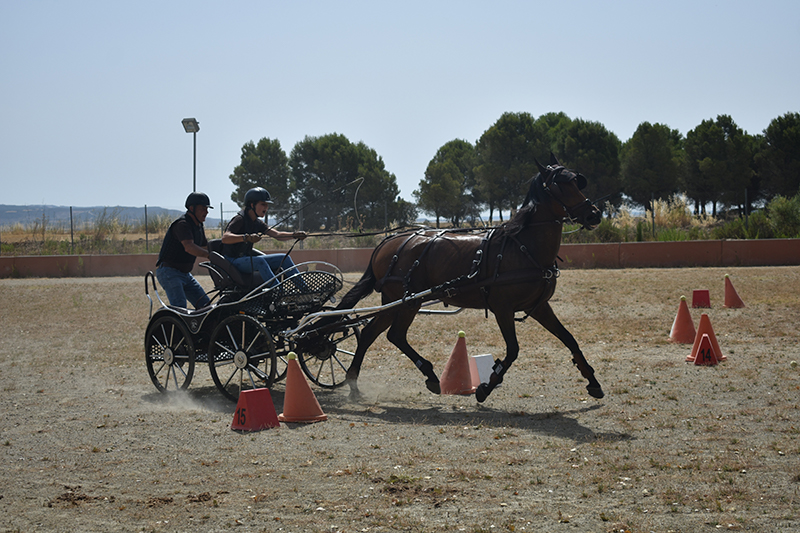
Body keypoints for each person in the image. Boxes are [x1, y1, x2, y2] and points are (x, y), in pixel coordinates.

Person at [221, 187, 307, 288]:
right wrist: (246, 237)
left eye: (267, 205)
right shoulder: (239, 219)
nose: (266, 208)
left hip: (246, 259)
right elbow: (225, 238)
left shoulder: (257, 223)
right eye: (263, 204)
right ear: (252, 205)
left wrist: (294, 235)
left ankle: (305, 290)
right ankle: (278, 292)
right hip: (233, 260)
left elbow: (277, 235)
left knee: (284, 258)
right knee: (260, 262)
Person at [155, 192, 213, 309]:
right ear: (192, 208)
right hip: (169, 272)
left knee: (205, 306)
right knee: (180, 308)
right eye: (203, 208)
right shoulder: (183, 224)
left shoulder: (198, 226)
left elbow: (205, 246)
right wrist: (210, 256)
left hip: (185, 274)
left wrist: (223, 251)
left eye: (207, 209)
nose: (206, 212)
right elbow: (189, 247)